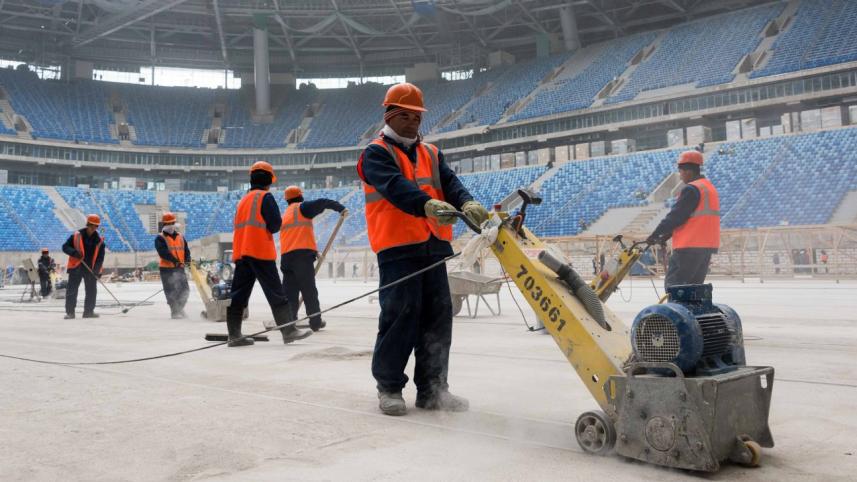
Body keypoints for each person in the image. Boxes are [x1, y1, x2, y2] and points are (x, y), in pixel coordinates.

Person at [357, 82, 489, 416]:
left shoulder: (431, 152)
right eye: (405, 115)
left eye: (417, 115)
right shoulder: (376, 153)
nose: (413, 121)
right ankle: (389, 387)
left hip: (432, 245)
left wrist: (467, 201)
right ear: (389, 114)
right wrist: (427, 204)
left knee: (437, 318)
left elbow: (451, 183)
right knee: (400, 316)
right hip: (397, 247)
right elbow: (395, 187)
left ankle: (433, 389)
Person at [228, 161, 312, 347]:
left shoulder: (243, 200)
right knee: (276, 292)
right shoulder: (265, 197)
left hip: (242, 252)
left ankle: (234, 335)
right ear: (269, 180)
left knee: (239, 295)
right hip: (259, 251)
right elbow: (275, 225)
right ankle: (288, 331)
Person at [647, 150, 719, 290]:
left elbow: (676, 216)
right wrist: (667, 236)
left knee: (675, 289)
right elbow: (692, 219)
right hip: (706, 248)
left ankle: (676, 311)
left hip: (688, 248)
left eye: (680, 172)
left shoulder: (691, 189)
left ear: (687, 171)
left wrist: (655, 234)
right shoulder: (709, 188)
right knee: (694, 290)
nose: (680, 176)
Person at [279, 185, 346, 331]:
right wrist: (340, 208)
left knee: (290, 293)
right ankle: (315, 322)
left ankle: (289, 324)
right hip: (301, 258)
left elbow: (296, 235)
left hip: (286, 258)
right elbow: (323, 202)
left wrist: (314, 252)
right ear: (300, 196)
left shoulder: (286, 214)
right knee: (309, 290)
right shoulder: (302, 207)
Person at [62, 214, 106, 319]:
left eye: (95, 226)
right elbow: (65, 247)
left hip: (90, 269)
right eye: (91, 225)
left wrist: (96, 271)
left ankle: (88, 312)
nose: (93, 228)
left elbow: (100, 258)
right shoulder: (77, 235)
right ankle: (70, 313)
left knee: (91, 291)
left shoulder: (99, 241)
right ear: (87, 224)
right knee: (72, 290)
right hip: (76, 267)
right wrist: (74, 252)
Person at [154, 212, 191, 319]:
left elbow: (186, 250)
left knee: (185, 290)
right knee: (171, 292)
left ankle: (180, 308)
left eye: (172, 223)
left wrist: (188, 260)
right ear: (164, 224)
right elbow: (163, 253)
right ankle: (174, 311)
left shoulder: (180, 237)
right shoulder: (160, 238)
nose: (171, 225)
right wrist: (175, 261)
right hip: (167, 269)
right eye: (169, 223)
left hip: (179, 268)